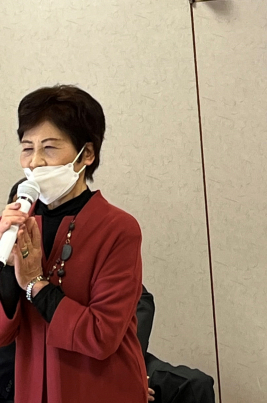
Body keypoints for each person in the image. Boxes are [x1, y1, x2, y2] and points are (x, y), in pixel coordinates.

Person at [0, 85, 148, 403]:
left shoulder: (118, 228)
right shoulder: (18, 223)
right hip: (33, 389)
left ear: (87, 154)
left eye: (49, 148)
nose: (35, 162)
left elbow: (101, 335)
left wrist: (35, 285)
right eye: (27, 148)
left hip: (101, 389)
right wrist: (7, 266)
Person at [136, 287, 215, 403]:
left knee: (196, 384)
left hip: (128, 357)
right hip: (107, 369)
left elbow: (141, 299)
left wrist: (129, 370)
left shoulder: (120, 278)